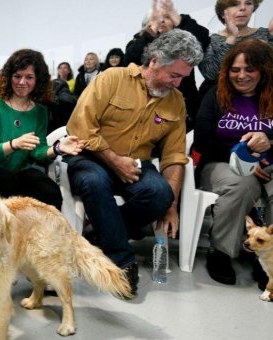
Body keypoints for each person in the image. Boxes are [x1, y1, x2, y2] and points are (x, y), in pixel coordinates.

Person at [65, 29, 204, 295]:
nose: (177, 83)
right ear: (154, 61)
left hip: (138, 163)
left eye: (183, 78)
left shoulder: (176, 101)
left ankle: (98, 237)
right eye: (174, 75)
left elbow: (174, 156)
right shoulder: (111, 79)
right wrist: (115, 160)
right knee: (94, 181)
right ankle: (122, 261)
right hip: (92, 156)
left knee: (161, 194)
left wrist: (171, 204)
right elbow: (80, 127)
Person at [194, 39, 273, 288]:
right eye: (235, 69)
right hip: (219, 164)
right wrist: (247, 156)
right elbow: (202, 140)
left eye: (249, 69)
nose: (241, 76)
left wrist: (268, 142)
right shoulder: (214, 95)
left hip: (269, 165)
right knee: (241, 185)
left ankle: (269, 257)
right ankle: (221, 251)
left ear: (263, 70)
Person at [0, 49, 84, 209]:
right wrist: (15, 144)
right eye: (17, 76)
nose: (22, 82)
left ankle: (48, 233)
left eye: (29, 77)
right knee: (7, 181)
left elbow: (37, 151)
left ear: (38, 80)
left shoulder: (39, 111)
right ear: (8, 77)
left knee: (49, 192)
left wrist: (58, 148)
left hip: (18, 171)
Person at [125, 0, 210, 131]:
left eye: (166, 18)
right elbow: (131, 59)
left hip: (182, 108)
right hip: (145, 108)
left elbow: (201, 37)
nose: (162, 21)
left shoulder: (184, 42)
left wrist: (177, 17)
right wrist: (151, 32)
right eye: (157, 18)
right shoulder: (139, 41)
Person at [198, 0, 272, 99]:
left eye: (248, 3)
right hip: (222, 103)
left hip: (262, 102)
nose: (243, 8)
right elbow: (211, 75)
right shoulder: (212, 40)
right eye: (234, 4)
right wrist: (231, 37)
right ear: (222, 13)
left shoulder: (266, 35)